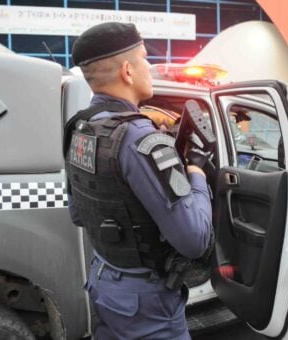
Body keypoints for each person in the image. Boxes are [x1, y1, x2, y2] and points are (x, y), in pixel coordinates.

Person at [64, 22, 213, 339]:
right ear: (128, 71)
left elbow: (78, 214)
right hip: (146, 304)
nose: (150, 67)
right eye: (146, 58)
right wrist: (196, 173)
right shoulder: (140, 139)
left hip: (104, 282)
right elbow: (195, 239)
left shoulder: (79, 128)